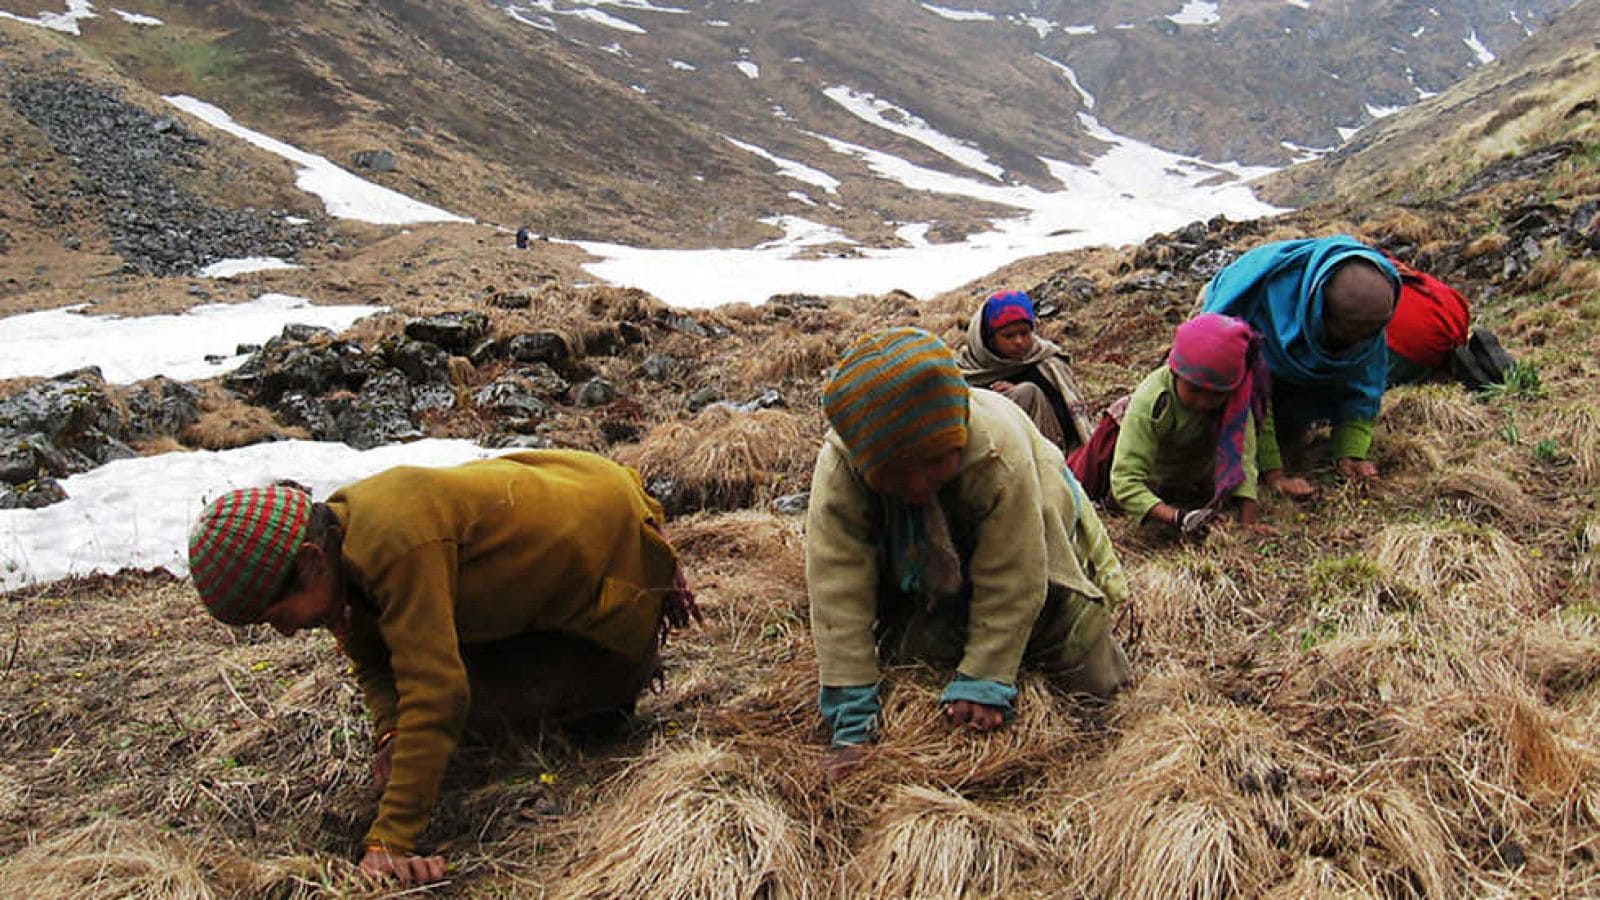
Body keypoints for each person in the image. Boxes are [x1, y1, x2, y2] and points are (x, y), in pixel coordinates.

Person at [186, 451, 698, 885]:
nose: (286, 632)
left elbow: (438, 694)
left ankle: (613, 670)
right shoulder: (344, 542)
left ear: (311, 562)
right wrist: (391, 737)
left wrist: (390, 841)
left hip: (609, 543)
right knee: (433, 723)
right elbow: (374, 657)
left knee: (483, 713)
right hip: (570, 493)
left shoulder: (396, 542)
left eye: (278, 616)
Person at [807, 327, 1132, 778]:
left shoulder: (998, 449)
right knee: (920, 648)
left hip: (1037, 511)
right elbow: (837, 588)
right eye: (900, 477)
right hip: (913, 532)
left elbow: (1015, 573)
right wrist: (851, 722)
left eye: (935, 465)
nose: (919, 487)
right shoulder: (843, 469)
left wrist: (985, 676)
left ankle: (1107, 688)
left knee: (1078, 644)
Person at [1200, 235, 1400, 498]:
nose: (1361, 343)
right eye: (1349, 335)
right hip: (1251, 359)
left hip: (1302, 359)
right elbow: (1251, 393)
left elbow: (1364, 383)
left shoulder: (1365, 323)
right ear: (1319, 313)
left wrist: (1351, 453)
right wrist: (1273, 472)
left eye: (1371, 334)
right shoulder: (1253, 307)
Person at [1068, 314, 1268, 536]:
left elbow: (1243, 459)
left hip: (1191, 477)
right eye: (1194, 390)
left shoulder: (1235, 400)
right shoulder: (1152, 401)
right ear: (1175, 373)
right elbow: (1125, 481)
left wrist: (1246, 525)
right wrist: (1178, 518)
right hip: (1148, 476)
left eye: (1215, 395)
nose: (1203, 402)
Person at [955, 289, 1094, 453]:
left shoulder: (1047, 362)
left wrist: (1026, 396)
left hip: (1061, 453)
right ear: (989, 339)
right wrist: (1003, 399)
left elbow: (1072, 420)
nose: (1019, 341)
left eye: (1024, 333)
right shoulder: (969, 371)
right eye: (1008, 336)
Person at [1383, 255, 1472, 387]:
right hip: (1454, 312)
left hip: (1410, 344)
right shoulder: (1382, 261)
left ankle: (1426, 370)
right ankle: (1445, 364)